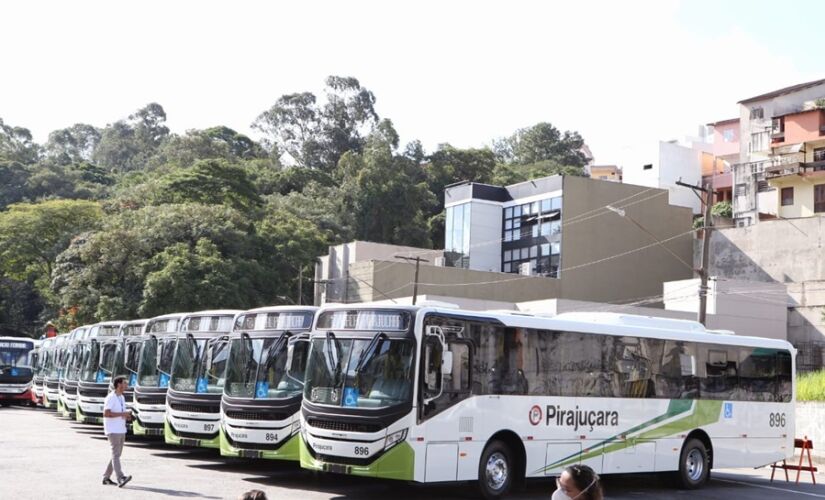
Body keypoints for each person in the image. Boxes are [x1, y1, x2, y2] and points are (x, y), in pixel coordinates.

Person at [102, 375, 132, 487]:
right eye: (125, 383)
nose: (126, 385)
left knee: (116, 455)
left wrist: (127, 416)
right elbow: (106, 413)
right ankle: (120, 477)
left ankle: (106, 477)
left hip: (121, 429)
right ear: (119, 384)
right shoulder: (111, 397)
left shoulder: (122, 398)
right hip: (112, 430)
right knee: (116, 454)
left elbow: (121, 413)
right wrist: (122, 414)